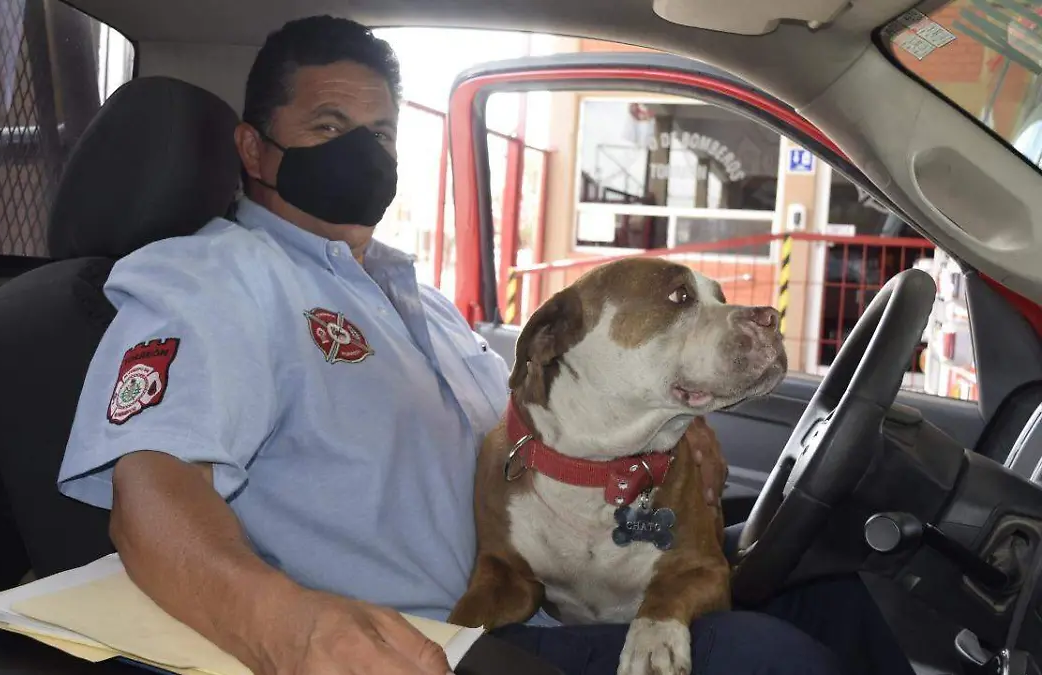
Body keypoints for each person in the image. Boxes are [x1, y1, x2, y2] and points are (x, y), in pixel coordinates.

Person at [57, 15, 917, 675]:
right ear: (253, 146)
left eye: (382, 135)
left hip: (544, 604)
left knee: (841, 596)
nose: (364, 154)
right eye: (327, 127)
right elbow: (155, 493)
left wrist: (666, 425)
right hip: (437, 642)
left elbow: (543, 431)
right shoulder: (211, 281)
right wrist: (293, 628)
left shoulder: (416, 298)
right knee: (767, 659)